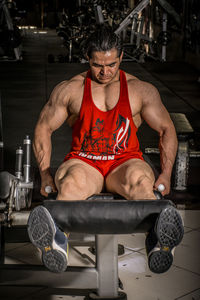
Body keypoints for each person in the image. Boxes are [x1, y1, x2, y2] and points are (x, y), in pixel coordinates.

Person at [27, 25, 184, 274]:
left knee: (141, 182)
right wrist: (45, 174)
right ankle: (56, 242)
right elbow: (43, 127)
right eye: (97, 65)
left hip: (125, 160)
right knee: (70, 185)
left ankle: (158, 242)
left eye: (111, 64)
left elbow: (166, 128)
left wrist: (165, 174)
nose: (105, 71)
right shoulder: (70, 89)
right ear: (88, 58)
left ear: (121, 57)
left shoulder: (140, 90)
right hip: (84, 160)